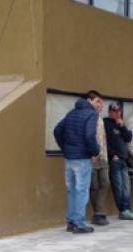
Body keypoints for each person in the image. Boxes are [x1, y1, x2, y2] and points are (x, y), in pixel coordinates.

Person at [54, 90, 102, 233]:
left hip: (69, 158)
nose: (99, 105)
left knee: (71, 190)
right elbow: (89, 135)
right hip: (82, 158)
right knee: (81, 190)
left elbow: (57, 130)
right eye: (98, 101)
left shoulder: (72, 113)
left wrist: (65, 147)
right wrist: (95, 151)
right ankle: (79, 223)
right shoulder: (91, 114)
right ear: (90, 100)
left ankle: (71, 222)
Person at [104, 103, 133, 220]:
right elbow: (103, 142)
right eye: (115, 111)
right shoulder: (105, 124)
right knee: (118, 186)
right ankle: (123, 210)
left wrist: (123, 127)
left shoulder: (120, 124)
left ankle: (127, 208)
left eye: (119, 111)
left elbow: (128, 138)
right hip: (114, 160)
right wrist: (112, 155)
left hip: (124, 159)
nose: (118, 114)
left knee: (126, 186)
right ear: (110, 112)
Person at [89, 100, 111, 226]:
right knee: (94, 186)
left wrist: (105, 156)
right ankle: (98, 212)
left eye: (101, 103)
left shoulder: (101, 120)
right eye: (98, 102)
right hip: (91, 157)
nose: (100, 105)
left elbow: (103, 139)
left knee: (105, 182)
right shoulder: (88, 118)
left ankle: (99, 209)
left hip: (103, 157)